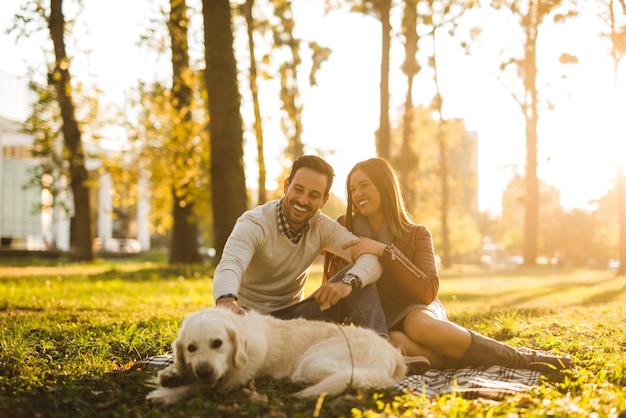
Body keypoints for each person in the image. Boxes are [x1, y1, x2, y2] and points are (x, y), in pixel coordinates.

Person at [324, 157, 574, 375]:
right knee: (396, 341)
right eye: (352, 188)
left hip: (416, 308)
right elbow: (333, 280)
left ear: (385, 186)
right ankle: (452, 359)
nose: (357, 195)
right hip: (378, 320)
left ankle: (522, 359)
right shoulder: (345, 228)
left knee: (417, 326)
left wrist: (384, 251)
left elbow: (427, 290)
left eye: (364, 185)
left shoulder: (416, 234)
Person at [213, 155, 388, 337]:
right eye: (298, 189)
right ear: (286, 185)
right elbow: (231, 263)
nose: (303, 201)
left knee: (359, 277)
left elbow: (371, 258)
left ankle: (382, 350)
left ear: (323, 200)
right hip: (247, 318)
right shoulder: (254, 223)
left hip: (296, 319)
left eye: (313, 195)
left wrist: (348, 283)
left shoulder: (323, 227)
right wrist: (226, 300)